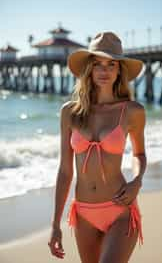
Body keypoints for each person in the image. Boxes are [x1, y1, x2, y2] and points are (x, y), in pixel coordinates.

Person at [48, 31, 147, 263]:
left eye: (111, 64)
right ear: (89, 69)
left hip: (120, 209)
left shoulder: (132, 111)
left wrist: (137, 181)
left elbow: (139, 153)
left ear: (119, 70)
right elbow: (65, 171)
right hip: (83, 213)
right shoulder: (69, 112)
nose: (104, 71)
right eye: (98, 64)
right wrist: (55, 224)